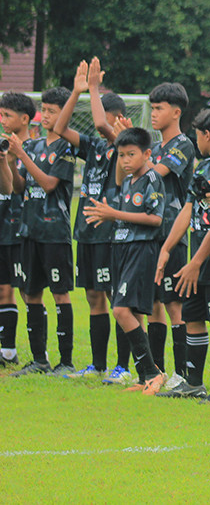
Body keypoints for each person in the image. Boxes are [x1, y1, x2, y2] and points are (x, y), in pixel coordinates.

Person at [156, 108, 210, 403]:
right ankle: (194, 383)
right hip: (198, 259)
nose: (196, 140)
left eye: (197, 134)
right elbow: (187, 210)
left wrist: (195, 263)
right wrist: (167, 249)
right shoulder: (204, 168)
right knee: (193, 316)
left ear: (207, 135)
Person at [51, 59, 129, 379]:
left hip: (111, 232)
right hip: (86, 231)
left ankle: (122, 366)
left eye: (106, 116)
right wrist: (77, 92)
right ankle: (98, 366)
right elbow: (60, 129)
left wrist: (94, 89)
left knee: (115, 299)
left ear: (118, 120)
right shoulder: (94, 148)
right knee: (94, 297)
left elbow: (100, 125)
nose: (101, 121)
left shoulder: (124, 144)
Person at [82, 126, 167, 394]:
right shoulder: (128, 181)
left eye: (131, 154)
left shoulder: (153, 178)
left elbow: (155, 219)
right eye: (121, 155)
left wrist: (114, 214)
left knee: (120, 310)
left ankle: (154, 373)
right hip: (120, 247)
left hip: (141, 249)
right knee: (132, 312)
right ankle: (144, 378)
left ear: (147, 154)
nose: (125, 160)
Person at [7, 87, 76, 376]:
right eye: (43, 110)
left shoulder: (66, 148)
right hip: (29, 230)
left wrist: (22, 153)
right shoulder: (33, 147)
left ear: (64, 114)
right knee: (30, 293)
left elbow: (49, 184)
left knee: (60, 294)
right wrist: (9, 161)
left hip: (54, 232)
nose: (45, 116)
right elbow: (19, 187)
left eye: (51, 111)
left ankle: (66, 361)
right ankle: (39, 360)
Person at [146, 82, 196, 387]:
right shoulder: (154, 148)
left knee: (174, 305)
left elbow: (155, 173)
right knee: (153, 304)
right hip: (149, 234)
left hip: (173, 234)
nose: (153, 114)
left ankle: (181, 373)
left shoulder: (183, 145)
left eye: (159, 108)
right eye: (152, 108)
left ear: (176, 112)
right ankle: (156, 371)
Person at [0, 92, 34, 369]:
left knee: (26, 290)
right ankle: (8, 352)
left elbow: (18, 187)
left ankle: (41, 355)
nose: (2, 120)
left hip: (23, 227)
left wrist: (12, 158)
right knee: (3, 290)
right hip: (3, 226)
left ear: (24, 119)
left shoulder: (33, 148)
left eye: (7, 115)